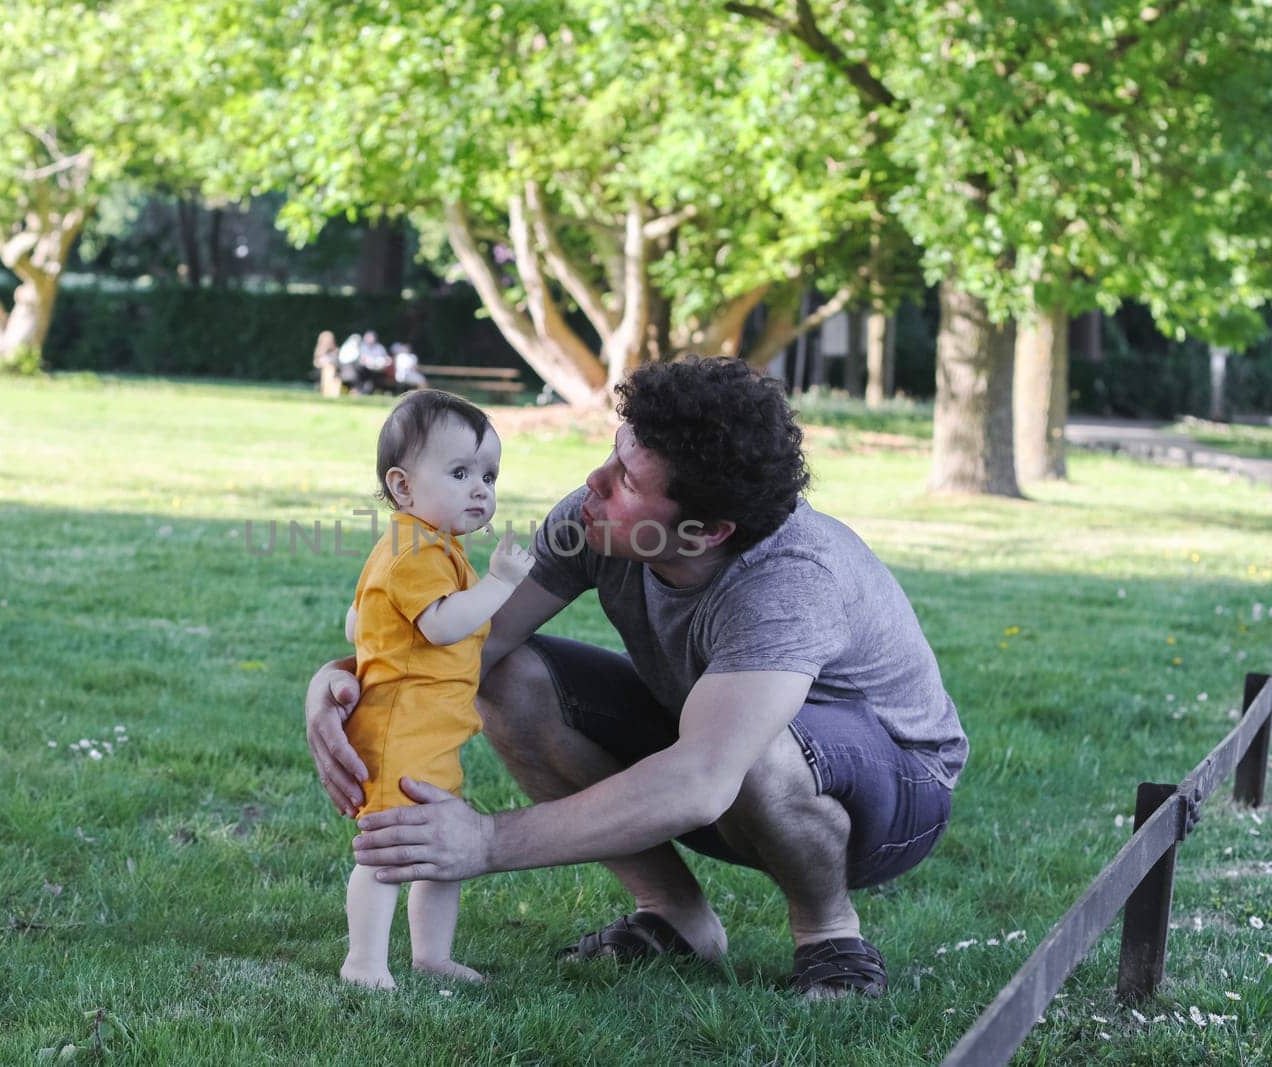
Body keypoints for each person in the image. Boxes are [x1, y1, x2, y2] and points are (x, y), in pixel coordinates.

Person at [305, 357, 966, 999]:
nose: (594, 481)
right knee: (508, 676)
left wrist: (484, 840)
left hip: (889, 795)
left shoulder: (788, 583)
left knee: (758, 746)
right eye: (613, 453)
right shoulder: (590, 519)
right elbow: (470, 645)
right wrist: (340, 685)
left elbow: (704, 777)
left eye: (626, 478)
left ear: (706, 531)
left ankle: (828, 936)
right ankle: (675, 916)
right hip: (714, 757)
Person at [337, 389, 535, 989]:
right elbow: (443, 623)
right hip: (401, 730)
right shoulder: (416, 550)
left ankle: (431, 956)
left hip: (430, 730)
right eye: (459, 472)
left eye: (489, 475)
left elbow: (356, 621)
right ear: (402, 487)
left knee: (440, 846)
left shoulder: (424, 546)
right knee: (392, 850)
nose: (481, 489)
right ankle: (364, 962)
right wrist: (501, 584)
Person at [313, 331, 341, 398]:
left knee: (330, 369)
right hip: (321, 371)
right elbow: (316, 363)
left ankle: (328, 391)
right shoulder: (319, 351)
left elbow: (337, 363)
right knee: (327, 369)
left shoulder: (336, 350)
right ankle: (326, 390)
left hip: (334, 371)